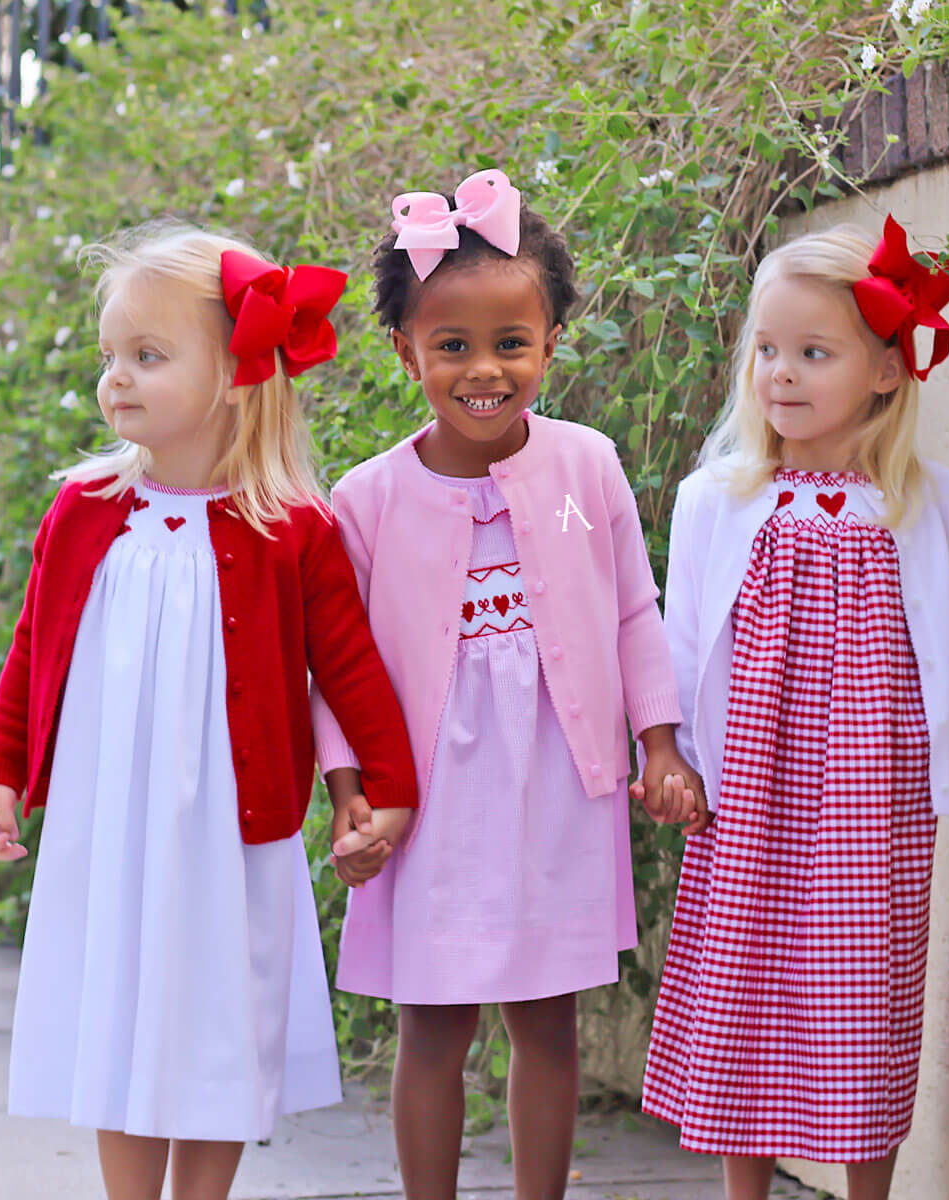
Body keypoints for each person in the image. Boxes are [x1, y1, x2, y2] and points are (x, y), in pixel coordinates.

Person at [0, 222, 417, 1200]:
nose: (116, 379)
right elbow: (33, 649)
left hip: (225, 834)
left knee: (219, 1023)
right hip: (109, 828)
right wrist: (1, 770)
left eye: (148, 356)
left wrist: (388, 788)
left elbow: (350, 665)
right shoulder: (82, 508)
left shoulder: (290, 527)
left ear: (233, 375)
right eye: (110, 358)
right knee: (119, 1013)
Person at [309, 168, 702, 1200]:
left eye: (511, 344)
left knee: (549, 1020)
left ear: (551, 343)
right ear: (405, 350)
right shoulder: (368, 500)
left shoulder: (587, 470)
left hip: (560, 787)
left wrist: (658, 743)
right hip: (425, 800)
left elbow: (629, 610)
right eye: (453, 346)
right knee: (431, 1025)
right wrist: (351, 795)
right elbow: (336, 666)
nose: (485, 370)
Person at [640, 217, 949, 1200]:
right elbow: (681, 640)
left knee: (866, 997)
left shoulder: (931, 501)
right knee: (748, 983)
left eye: (813, 352)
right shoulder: (717, 497)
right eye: (766, 350)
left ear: (887, 370)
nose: (781, 374)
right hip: (750, 782)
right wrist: (669, 753)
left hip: (871, 791)